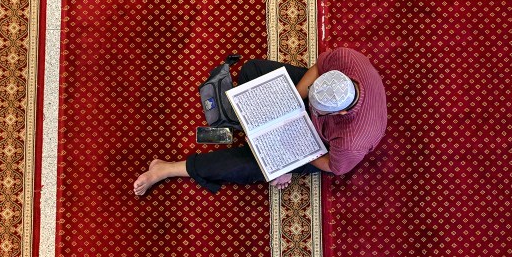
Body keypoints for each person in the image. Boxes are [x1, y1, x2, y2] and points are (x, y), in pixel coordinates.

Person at [133, 47, 387, 195]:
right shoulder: (347, 59)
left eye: (319, 111)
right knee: (252, 71)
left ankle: (167, 168)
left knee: (250, 164)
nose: (313, 110)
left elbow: (333, 166)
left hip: (321, 145)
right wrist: (295, 101)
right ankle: (259, 128)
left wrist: (292, 157)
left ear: (340, 114)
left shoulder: (352, 141)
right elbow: (319, 68)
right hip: (311, 102)